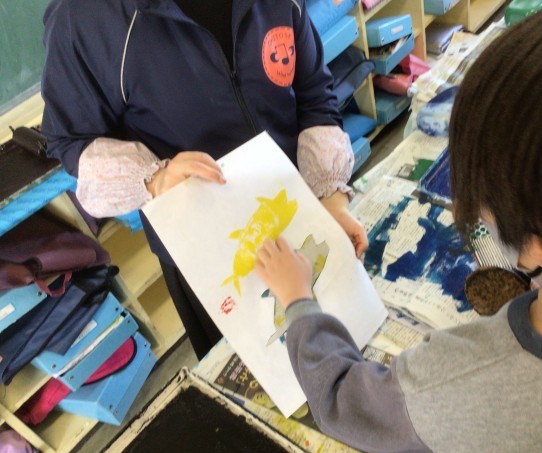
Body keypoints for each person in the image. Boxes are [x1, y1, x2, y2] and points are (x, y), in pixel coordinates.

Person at [255, 1, 542, 453]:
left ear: (538, 245)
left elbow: (340, 400)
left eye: (479, 197)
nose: (465, 210)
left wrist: (298, 301)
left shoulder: (455, 379)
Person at [40, 0, 368, 359]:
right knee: (256, 381)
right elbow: (69, 139)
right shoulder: (85, 16)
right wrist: (155, 178)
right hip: (205, 256)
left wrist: (331, 198)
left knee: (342, 357)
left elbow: (313, 93)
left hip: (297, 216)